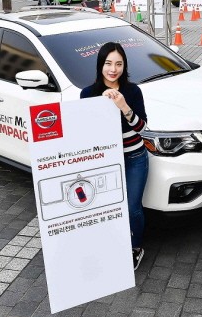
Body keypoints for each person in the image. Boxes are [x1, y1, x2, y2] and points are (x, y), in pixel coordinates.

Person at [80, 42, 149, 270]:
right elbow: (85, 129)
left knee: (132, 207)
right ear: (101, 65)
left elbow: (141, 128)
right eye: (108, 63)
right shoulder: (88, 93)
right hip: (105, 161)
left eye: (118, 64)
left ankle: (136, 247)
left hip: (134, 158)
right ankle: (111, 245)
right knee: (106, 207)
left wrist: (123, 105)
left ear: (124, 66)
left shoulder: (132, 91)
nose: (113, 69)